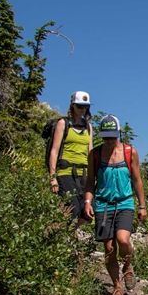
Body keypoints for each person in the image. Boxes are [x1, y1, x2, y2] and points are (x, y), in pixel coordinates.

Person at [84, 114, 147, 295]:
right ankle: (117, 285)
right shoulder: (95, 154)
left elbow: (136, 180)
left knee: (123, 240)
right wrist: (88, 201)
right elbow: (90, 182)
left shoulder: (130, 152)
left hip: (125, 202)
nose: (109, 140)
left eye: (112, 136)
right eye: (105, 137)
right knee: (109, 248)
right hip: (103, 204)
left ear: (118, 133)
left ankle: (128, 266)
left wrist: (142, 205)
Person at [49, 91, 93, 228]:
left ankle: (70, 232)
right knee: (71, 208)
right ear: (73, 105)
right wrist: (53, 178)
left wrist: (94, 174)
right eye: (80, 106)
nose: (83, 109)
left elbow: (90, 152)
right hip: (65, 172)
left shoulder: (88, 127)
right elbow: (54, 151)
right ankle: (63, 235)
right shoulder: (64, 123)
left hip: (84, 173)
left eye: (85, 107)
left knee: (88, 210)